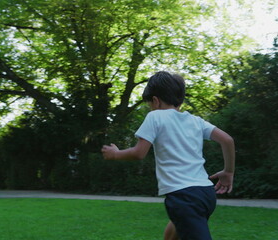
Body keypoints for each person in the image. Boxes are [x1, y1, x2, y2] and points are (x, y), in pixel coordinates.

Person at [101, 71, 235, 240]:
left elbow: (139, 153)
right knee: (173, 232)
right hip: (206, 194)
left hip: (184, 197)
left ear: (155, 101)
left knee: (184, 224)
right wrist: (228, 172)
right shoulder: (196, 121)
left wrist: (115, 154)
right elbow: (228, 140)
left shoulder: (155, 116)